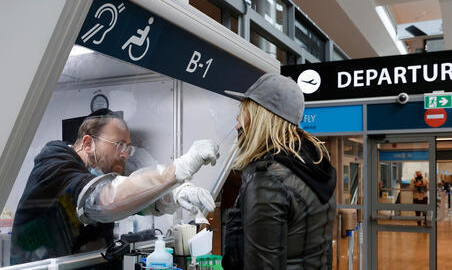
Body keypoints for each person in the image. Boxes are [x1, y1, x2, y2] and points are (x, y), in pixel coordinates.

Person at [10, 109, 219, 264]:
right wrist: (177, 170)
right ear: (88, 144)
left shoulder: (91, 175)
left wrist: (172, 195)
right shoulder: (55, 165)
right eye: (119, 145)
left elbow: (130, 198)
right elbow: (106, 200)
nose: (125, 154)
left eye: (128, 147)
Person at [222, 73, 337, 269]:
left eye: (243, 114)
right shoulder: (311, 168)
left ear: (260, 118)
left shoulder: (268, 181)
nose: (237, 123)